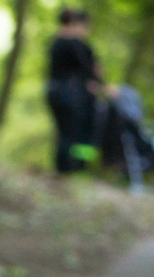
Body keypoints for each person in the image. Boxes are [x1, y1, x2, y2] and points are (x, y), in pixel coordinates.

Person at [47, 9, 102, 173]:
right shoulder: (76, 45)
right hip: (71, 95)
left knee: (65, 133)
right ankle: (70, 170)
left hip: (57, 91)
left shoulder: (55, 43)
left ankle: (67, 169)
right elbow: (92, 71)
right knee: (72, 134)